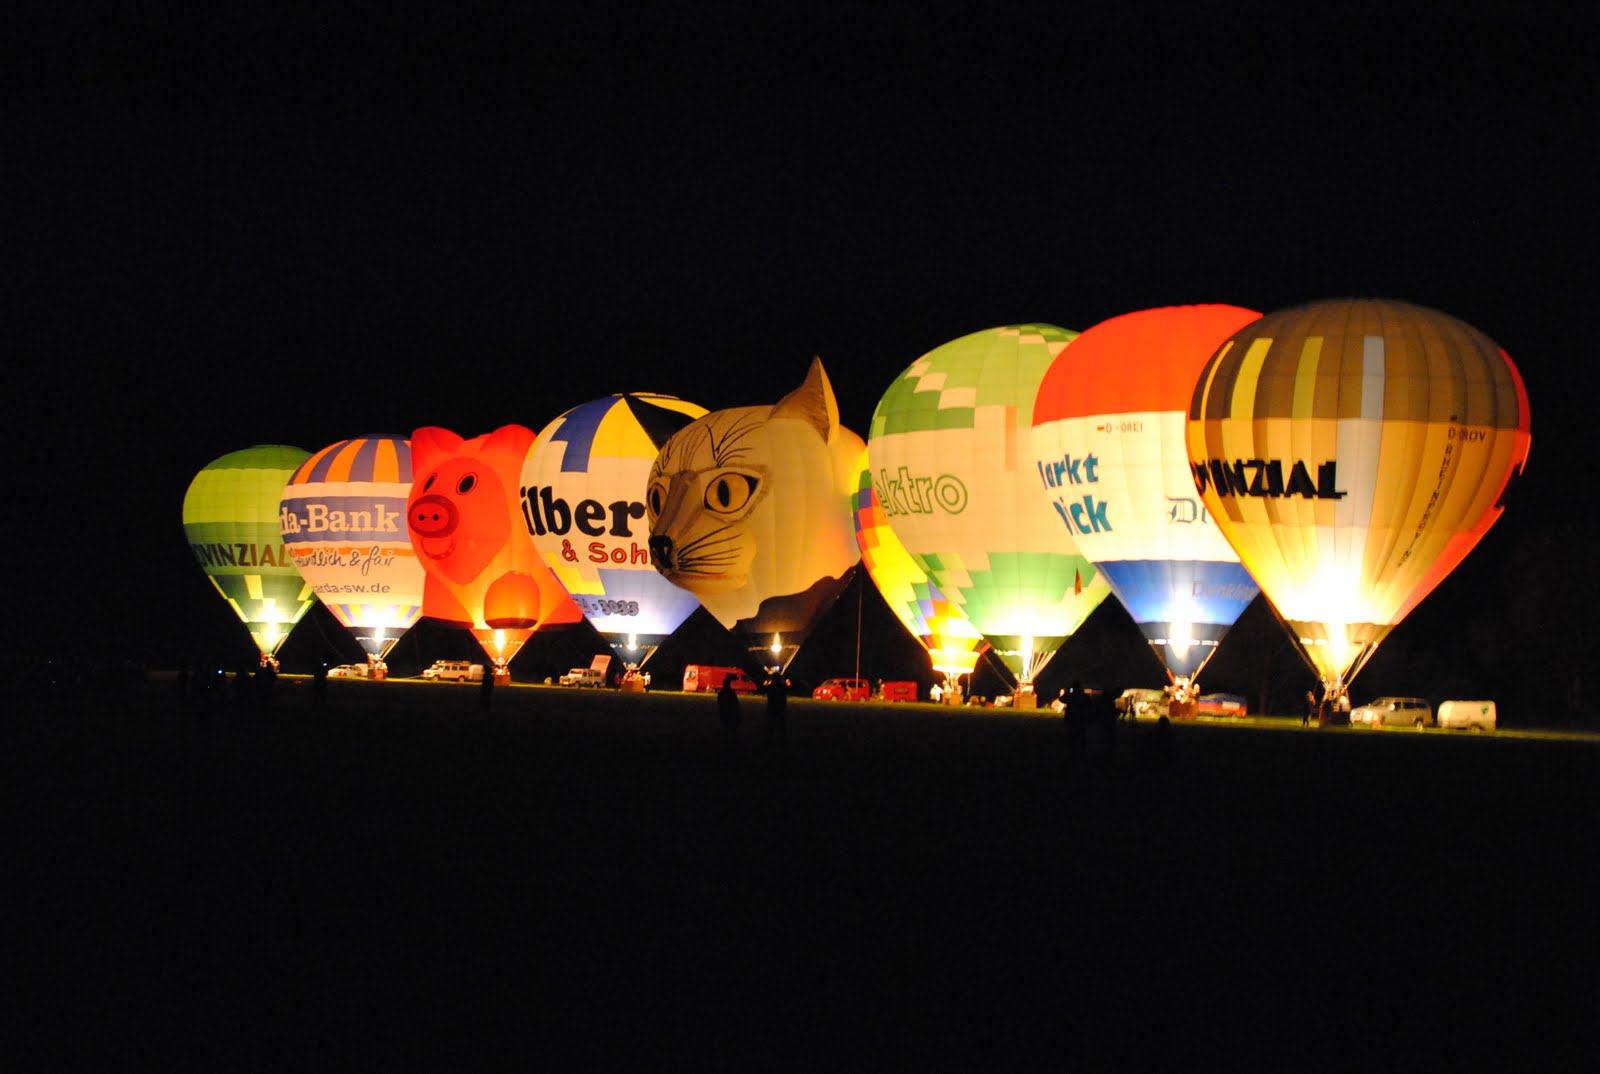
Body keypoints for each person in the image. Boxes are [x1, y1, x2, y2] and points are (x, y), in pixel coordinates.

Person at [764, 672, 789, 744]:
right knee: (782, 725)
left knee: (771, 724)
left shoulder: (770, 687)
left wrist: (767, 681)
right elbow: (789, 688)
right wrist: (786, 681)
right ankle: (783, 739)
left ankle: (770, 738)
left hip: (772, 708)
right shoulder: (782, 687)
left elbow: (764, 688)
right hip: (781, 708)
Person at [717, 678, 741, 744]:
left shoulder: (721, 693)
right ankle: (732, 741)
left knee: (726, 728)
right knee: (731, 729)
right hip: (731, 713)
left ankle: (727, 741)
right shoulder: (731, 693)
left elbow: (719, 703)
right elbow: (736, 703)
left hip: (726, 713)